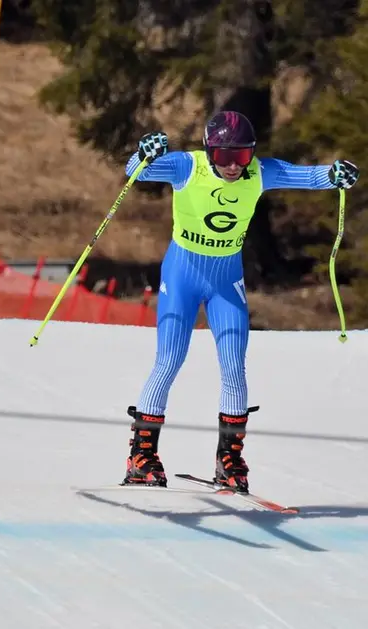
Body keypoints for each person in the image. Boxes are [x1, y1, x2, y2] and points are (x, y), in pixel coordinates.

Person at [122, 110, 359, 492]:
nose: (233, 166)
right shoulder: (187, 167)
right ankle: (141, 456)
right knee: (168, 362)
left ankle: (229, 459)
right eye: (223, 157)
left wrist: (337, 174)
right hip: (182, 276)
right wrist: (144, 153)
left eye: (242, 156)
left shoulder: (259, 173)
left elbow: (309, 176)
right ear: (208, 151)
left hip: (225, 281)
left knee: (233, 367)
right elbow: (136, 170)